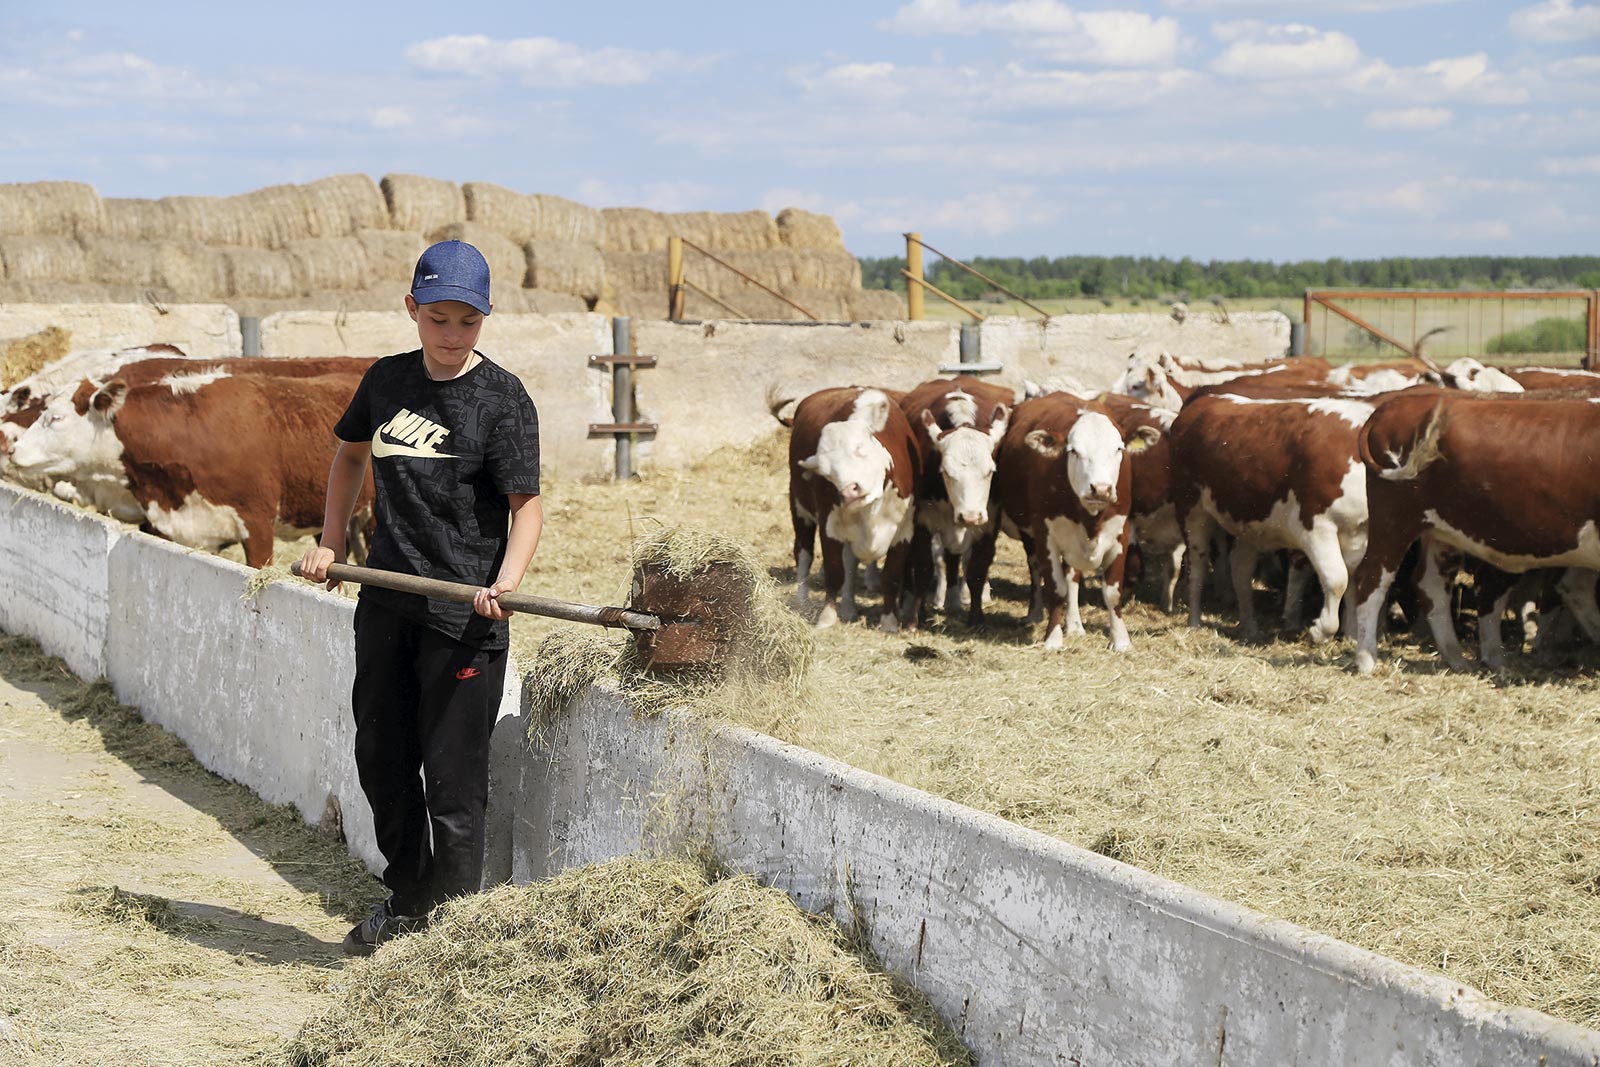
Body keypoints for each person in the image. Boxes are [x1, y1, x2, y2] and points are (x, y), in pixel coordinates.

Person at [297, 239, 543, 956]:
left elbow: (525, 506)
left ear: (484, 320)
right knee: (381, 756)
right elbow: (348, 456)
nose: (452, 336)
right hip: (387, 601)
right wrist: (332, 543)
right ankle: (409, 901)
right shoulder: (386, 382)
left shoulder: (503, 399)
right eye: (438, 319)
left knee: (454, 781)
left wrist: (508, 581)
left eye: (467, 323)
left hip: (464, 613)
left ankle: (454, 936)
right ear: (412, 310)